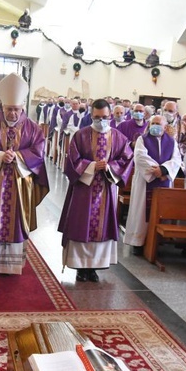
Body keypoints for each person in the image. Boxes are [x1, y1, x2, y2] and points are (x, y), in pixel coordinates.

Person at [0, 73, 49, 275]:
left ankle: (13, 265)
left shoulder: (32, 128)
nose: (12, 113)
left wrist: (19, 158)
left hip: (20, 185)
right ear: (2, 107)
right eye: (8, 109)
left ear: (22, 107)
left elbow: (39, 152)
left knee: (16, 221)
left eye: (16, 109)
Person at [58, 99, 134, 282]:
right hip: (84, 190)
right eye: (97, 117)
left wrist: (108, 167)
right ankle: (80, 268)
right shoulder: (80, 136)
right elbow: (72, 162)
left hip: (106, 189)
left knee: (102, 227)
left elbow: (126, 160)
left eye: (105, 117)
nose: (101, 121)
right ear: (91, 116)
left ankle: (93, 268)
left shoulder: (118, 137)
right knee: (81, 225)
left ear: (110, 116)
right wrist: (92, 166)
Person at [124, 114, 181, 248]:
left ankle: (156, 242)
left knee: (160, 211)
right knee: (141, 212)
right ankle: (138, 242)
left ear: (165, 126)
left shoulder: (172, 142)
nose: (155, 126)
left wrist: (164, 170)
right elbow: (140, 157)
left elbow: (177, 159)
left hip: (164, 181)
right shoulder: (142, 139)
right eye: (153, 123)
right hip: (145, 181)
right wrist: (157, 172)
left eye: (158, 124)